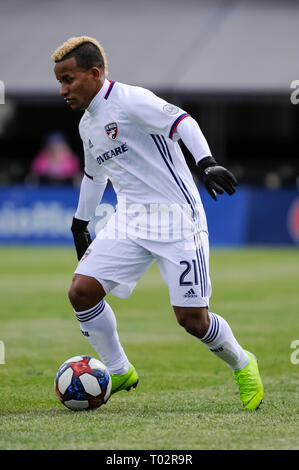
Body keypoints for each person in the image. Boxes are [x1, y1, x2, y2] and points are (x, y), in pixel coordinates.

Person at [52, 36, 263, 410]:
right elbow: (94, 175)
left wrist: (206, 162)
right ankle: (119, 370)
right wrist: (79, 223)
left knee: (193, 320)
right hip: (129, 220)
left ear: (94, 73)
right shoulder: (88, 124)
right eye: (60, 82)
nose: (63, 89)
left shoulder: (131, 100)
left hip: (176, 220)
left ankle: (243, 363)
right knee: (81, 292)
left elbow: (182, 121)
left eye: (68, 79)